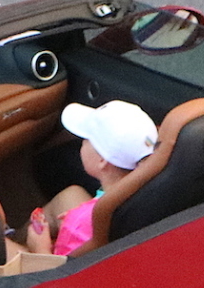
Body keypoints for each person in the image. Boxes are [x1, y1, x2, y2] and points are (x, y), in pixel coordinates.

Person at [26, 99, 157, 257]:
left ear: (103, 161)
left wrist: (40, 249)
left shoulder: (78, 223)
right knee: (71, 194)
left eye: (87, 139)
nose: (82, 142)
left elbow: (62, 274)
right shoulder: (149, 191)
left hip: (64, 268)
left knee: (5, 246)